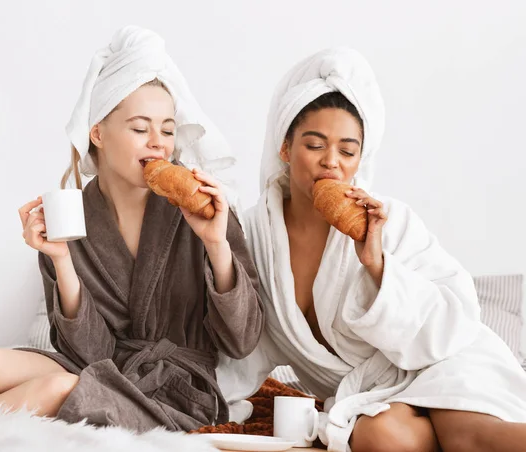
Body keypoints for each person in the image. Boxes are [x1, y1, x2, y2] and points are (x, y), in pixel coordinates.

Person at [0, 26, 264, 433]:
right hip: (96, 365)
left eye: (169, 129)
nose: (159, 143)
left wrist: (216, 245)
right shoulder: (72, 214)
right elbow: (90, 353)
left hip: (173, 392)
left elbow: (242, 341)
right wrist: (62, 261)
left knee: (57, 388)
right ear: (98, 134)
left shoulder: (204, 208)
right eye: (141, 129)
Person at [217, 47, 526, 452]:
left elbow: (457, 318)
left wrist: (378, 265)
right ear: (284, 147)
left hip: (442, 360)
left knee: (468, 436)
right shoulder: (255, 234)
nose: (332, 162)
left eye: (347, 151)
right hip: (369, 394)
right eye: (314, 145)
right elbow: (244, 339)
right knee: (382, 439)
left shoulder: (384, 220)